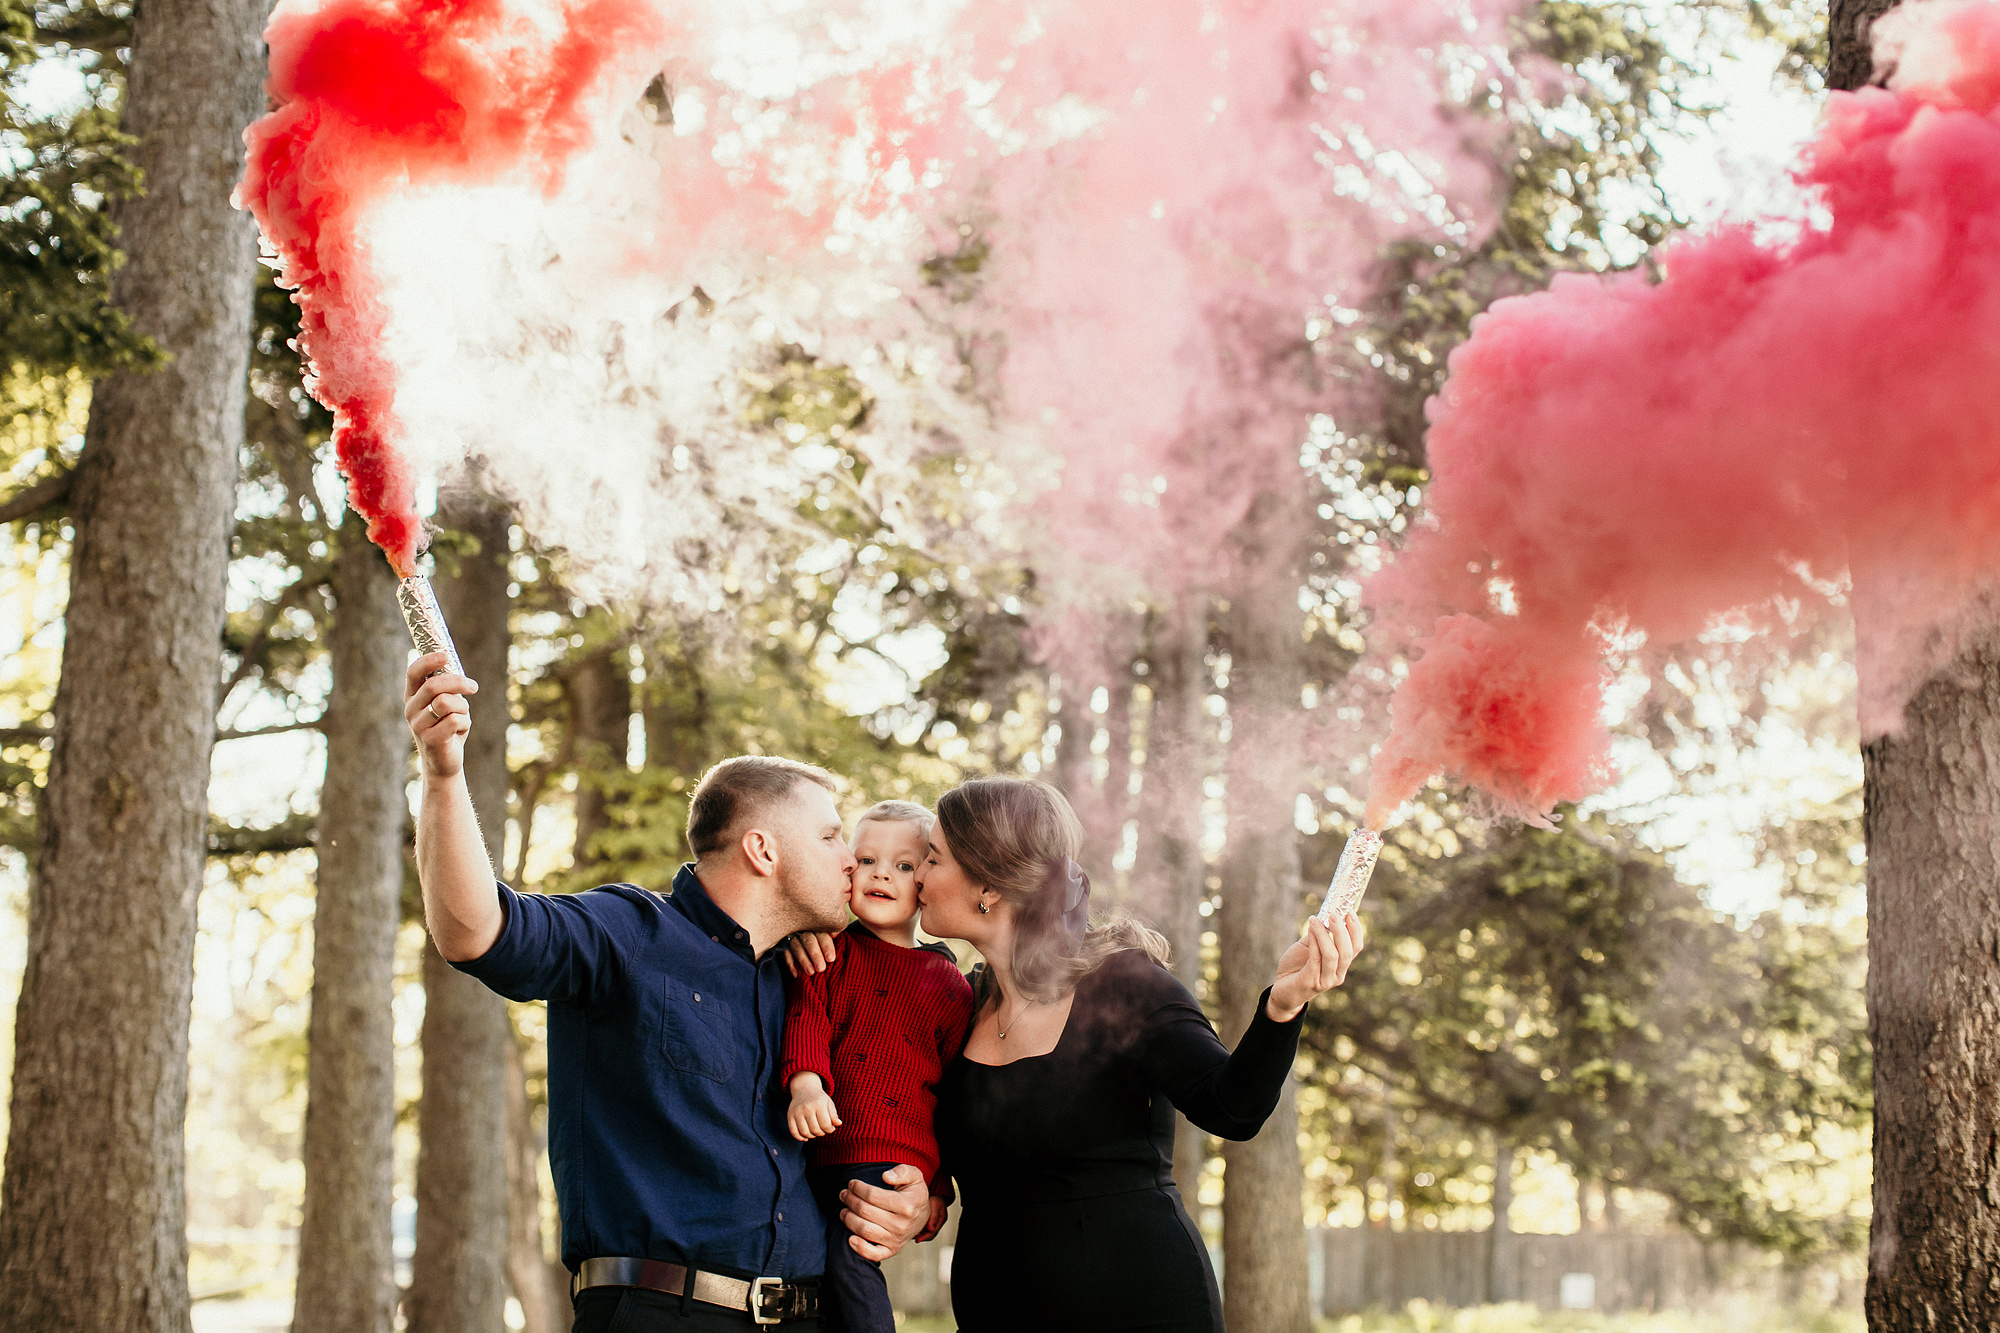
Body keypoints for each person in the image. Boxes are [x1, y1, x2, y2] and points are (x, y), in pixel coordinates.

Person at [403, 652, 931, 1331]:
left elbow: (892, 1106)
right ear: (763, 851)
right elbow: (474, 931)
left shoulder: (814, 976)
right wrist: (443, 774)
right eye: (831, 835)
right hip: (661, 1314)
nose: (851, 859)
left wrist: (918, 1202)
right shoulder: (627, 933)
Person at [924, 777, 1361, 1333]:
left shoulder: (1124, 986)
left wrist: (1282, 1006)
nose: (917, 876)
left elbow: (1233, 1109)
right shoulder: (960, 1004)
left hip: (1139, 1307)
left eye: (931, 859)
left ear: (987, 883)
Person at [782, 801, 975, 1333]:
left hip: (890, 1155)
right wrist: (806, 1086)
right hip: (818, 1147)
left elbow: (955, 1095)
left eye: (905, 865)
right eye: (866, 860)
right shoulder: (826, 953)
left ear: (927, 884)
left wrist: (938, 1188)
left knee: (852, 1260)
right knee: (808, 1270)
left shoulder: (949, 986)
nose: (882, 873)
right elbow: (806, 1021)